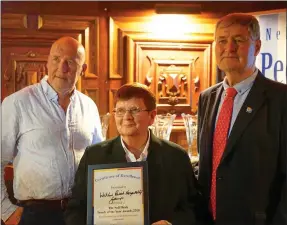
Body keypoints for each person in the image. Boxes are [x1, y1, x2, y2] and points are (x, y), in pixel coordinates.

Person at [65, 83, 206, 225]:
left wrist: (171, 224)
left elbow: (193, 208)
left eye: (134, 110)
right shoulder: (94, 156)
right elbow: (76, 209)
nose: (127, 117)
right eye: (120, 111)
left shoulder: (176, 157)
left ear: (152, 116)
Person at [1, 36, 103, 225]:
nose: (62, 68)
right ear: (47, 61)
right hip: (35, 215)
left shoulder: (89, 107)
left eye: (70, 62)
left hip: (81, 213)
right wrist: (6, 211)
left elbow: (100, 162)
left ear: (83, 69)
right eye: (56, 59)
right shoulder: (17, 103)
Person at [197, 13, 287, 225]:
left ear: (256, 47)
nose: (229, 48)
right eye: (222, 41)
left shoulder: (281, 99)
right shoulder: (207, 98)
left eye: (238, 40)